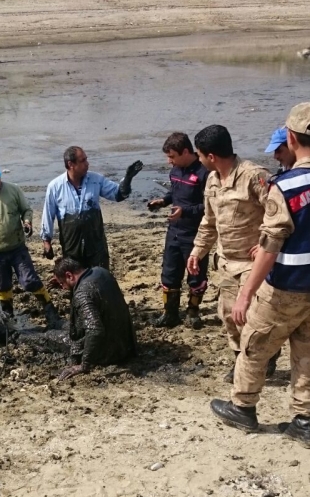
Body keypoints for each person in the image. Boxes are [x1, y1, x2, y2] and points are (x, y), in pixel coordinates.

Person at [210, 103, 310, 447]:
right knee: (306, 352)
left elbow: (270, 244)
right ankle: (304, 418)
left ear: (292, 139)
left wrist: (245, 293)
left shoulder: (287, 185)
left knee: (254, 344)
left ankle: (243, 407)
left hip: (286, 286)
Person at [186, 125, 270, 380]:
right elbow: (209, 222)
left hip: (252, 264)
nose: (198, 160)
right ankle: (240, 359)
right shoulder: (212, 180)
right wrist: (197, 251)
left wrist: (267, 243)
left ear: (210, 156)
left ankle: (254, 365)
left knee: (250, 319)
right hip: (226, 261)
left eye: (199, 155)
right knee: (228, 316)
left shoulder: (254, 176)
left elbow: (281, 215)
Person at [0, 160, 62, 327]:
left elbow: (26, 210)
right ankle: (8, 316)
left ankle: (49, 309)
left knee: (29, 281)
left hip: (17, 248)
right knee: (3, 284)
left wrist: (27, 222)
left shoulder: (13, 190)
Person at [41, 147, 143, 270]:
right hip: (71, 248)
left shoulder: (96, 180)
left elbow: (118, 194)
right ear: (71, 164)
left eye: (86, 159)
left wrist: (128, 178)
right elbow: (48, 215)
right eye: (82, 161)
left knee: (100, 280)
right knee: (77, 284)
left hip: (96, 246)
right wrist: (46, 242)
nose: (87, 163)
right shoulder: (55, 187)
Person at [148, 132, 209, 327]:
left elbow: (209, 205)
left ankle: (192, 313)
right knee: (169, 273)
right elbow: (174, 192)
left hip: (195, 234)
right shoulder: (175, 171)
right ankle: (170, 314)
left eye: (172, 156)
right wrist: (163, 201)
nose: (169, 161)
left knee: (196, 275)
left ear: (185, 152)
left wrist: (185, 212)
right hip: (174, 232)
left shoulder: (204, 172)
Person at [53, 256, 137, 381]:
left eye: (62, 284)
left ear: (69, 275)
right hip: (127, 343)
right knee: (63, 325)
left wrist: (84, 365)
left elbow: (95, 330)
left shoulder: (82, 293)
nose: (63, 288)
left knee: (50, 337)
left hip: (109, 352)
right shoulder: (101, 272)